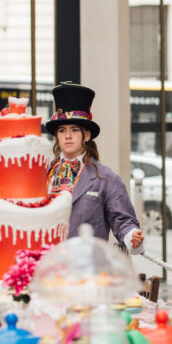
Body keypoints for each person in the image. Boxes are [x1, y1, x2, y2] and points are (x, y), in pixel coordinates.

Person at [44, 82, 144, 252]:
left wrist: (132, 237)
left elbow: (123, 221)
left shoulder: (106, 178)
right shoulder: (42, 175)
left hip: (87, 268)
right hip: (46, 266)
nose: (67, 136)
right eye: (62, 130)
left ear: (87, 135)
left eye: (75, 129)